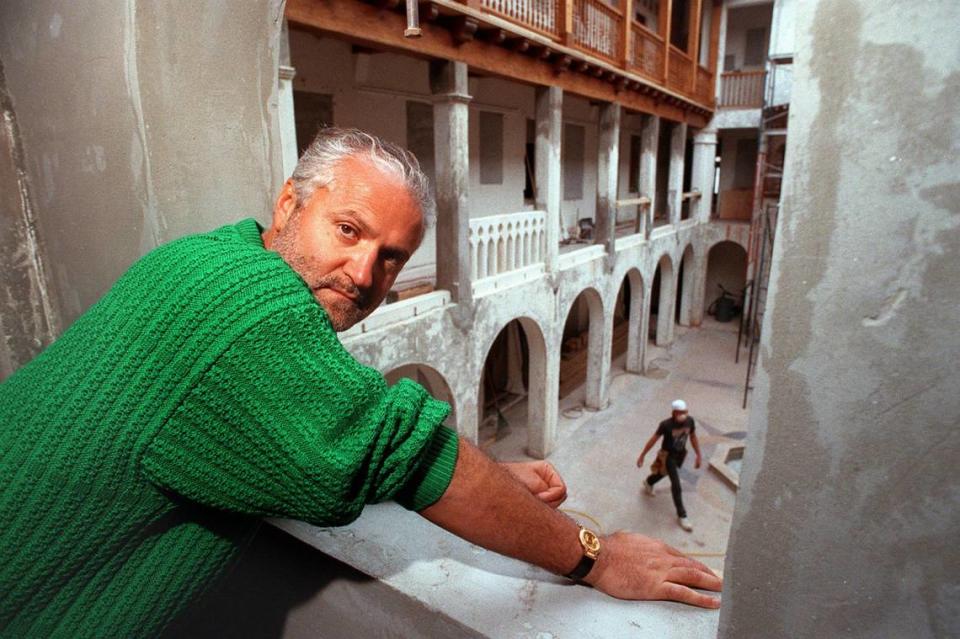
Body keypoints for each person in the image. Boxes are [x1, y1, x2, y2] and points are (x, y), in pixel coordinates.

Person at [0, 128, 720, 637]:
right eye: (349, 230)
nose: (364, 276)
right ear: (289, 204)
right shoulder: (252, 316)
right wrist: (595, 554)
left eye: (391, 256)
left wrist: (492, 480)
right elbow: (408, 456)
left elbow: (339, 437)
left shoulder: (209, 257)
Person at [637, 399, 703, 532]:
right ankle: (682, 515)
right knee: (676, 484)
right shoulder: (666, 425)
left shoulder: (690, 421)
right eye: (680, 413)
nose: (683, 415)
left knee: (663, 472)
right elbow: (653, 439)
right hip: (668, 456)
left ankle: (649, 482)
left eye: (685, 412)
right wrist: (642, 455)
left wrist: (698, 454)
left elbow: (693, 437)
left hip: (680, 454)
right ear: (674, 413)